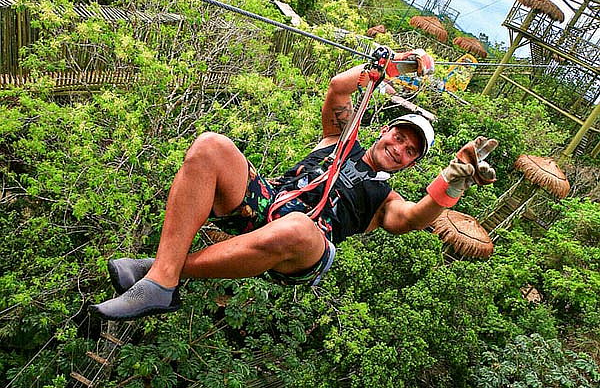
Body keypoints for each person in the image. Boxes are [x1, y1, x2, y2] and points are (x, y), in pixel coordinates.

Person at [89, 50, 498, 321]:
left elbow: (413, 217)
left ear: (412, 164)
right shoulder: (339, 139)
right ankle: (161, 278)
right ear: (385, 131)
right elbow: (339, 87)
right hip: (263, 205)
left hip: (305, 245)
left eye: (411, 152)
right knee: (211, 146)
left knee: (298, 226)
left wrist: (450, 182)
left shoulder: (384, 199)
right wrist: (392, 68)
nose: (400, 149)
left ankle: (162, 274)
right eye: (399, 138)